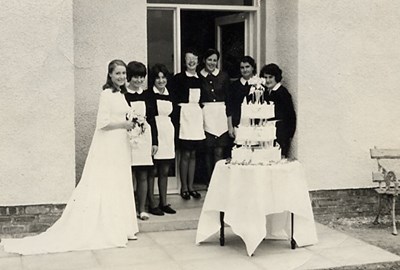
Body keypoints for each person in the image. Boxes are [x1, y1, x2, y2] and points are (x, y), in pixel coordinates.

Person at [0, 60, 139, 255]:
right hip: (109, 145)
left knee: (119, 182)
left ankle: (123, 227)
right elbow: (103, 123)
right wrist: (124, 125)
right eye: (118, 74)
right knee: (108, 182)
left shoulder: (120, 94)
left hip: (119, 145)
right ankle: (110, 228)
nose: (122, 77)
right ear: (110, 75)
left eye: (124, 73)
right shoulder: (106, 94)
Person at [124, 61, 161, 220]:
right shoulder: (123, 95)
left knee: (143, 174)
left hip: (145, 137)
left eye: (141, 77)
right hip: (128, 137)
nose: (139, 80)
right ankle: (128, 209)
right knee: (128, 174)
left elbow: (152, 119)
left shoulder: (148, 95)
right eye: (135, 77)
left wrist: (155, 142)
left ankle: (142, 209)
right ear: (129, 77)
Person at [171, 48, 205, 200]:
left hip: (196, 117)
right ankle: (183, 187)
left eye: (194, 58)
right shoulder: (178, 79)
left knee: (193, 154)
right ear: (184, 61)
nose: (191, 61)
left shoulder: (200, 79)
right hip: (184, 117)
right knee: (185, 153)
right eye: (188, 58)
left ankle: (191, 186)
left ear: (198, 61)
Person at [147, 64, 176, 214]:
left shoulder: (171, 94)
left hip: (168, 132)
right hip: (155, 131)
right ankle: (152, 203)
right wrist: (153, 140)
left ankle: (164, 202)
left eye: (163, 77)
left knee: (165, 170)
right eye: (157, 77)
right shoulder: (149, 95)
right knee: (152, 170)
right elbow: (150, 118)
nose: (160, 80)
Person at [199, 48, 231, 184]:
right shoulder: (199, 76)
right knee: (208, 149)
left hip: (220, 114)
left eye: (214, 60)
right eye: (209, 59)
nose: (212, 63)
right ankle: (209, 180)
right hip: (205, 113)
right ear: (204, 60)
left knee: (219, 149)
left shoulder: (223, 76)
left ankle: (218, 182)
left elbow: (229, 98)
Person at [260, 63, 296, 158]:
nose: (267, 80)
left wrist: (286, 136)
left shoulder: (282, 93)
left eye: (270, 77)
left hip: (280, 134)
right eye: (265, 77)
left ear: (277, 77)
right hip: (268, 133)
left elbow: (290, 115)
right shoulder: (266, 93)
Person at [227, 56, 258, 143]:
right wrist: (230, 126)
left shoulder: (259, 85)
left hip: (254, 126)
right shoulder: (234, 86)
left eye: (247, 67)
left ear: (253, 67)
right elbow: (229, 107)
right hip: (238, 124)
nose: (245, 70)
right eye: (242, 67)